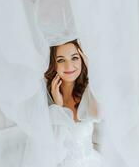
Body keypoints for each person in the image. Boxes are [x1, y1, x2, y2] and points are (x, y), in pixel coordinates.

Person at [44, 37, 104, 167]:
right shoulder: (45, 99)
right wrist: (58, 107)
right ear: (53, 65)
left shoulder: (88, 91)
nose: (69, 66)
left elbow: (97, 114)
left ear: (83, 59)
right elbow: (52, 149)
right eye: (61, 60)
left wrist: (92, 72)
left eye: (74, 58)